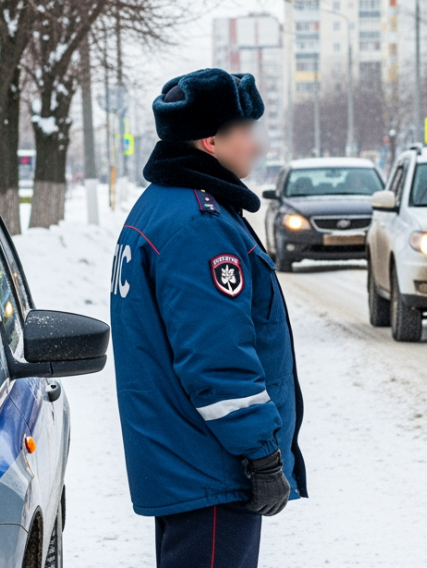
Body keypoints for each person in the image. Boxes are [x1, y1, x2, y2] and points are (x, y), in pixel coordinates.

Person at [110, 68, 306, 568]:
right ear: (211, 141)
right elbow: (217, 361)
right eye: (247, 131)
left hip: (186, 461)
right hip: (212, 468)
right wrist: (262, 454)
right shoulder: (201, 226)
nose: (257, 145)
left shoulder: (161, 207)